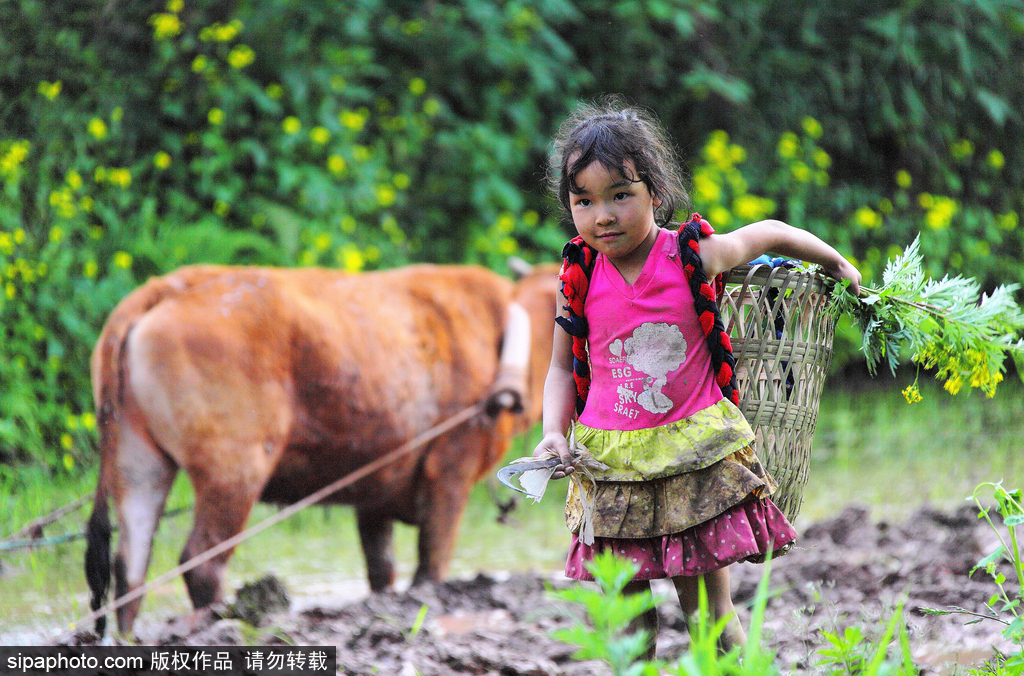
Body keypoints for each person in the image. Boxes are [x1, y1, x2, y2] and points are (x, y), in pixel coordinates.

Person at [533, 98, 861, 657]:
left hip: (693, 461)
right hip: (611, 469)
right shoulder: (579, 275)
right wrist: (551, 433)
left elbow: (770, 231)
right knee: (628, 624)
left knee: (708, 615)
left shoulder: (691, 256)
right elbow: (562, 367)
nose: (602, 216)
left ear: (655, 194)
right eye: (584, 201)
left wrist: (836, 263)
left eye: (619, 195)